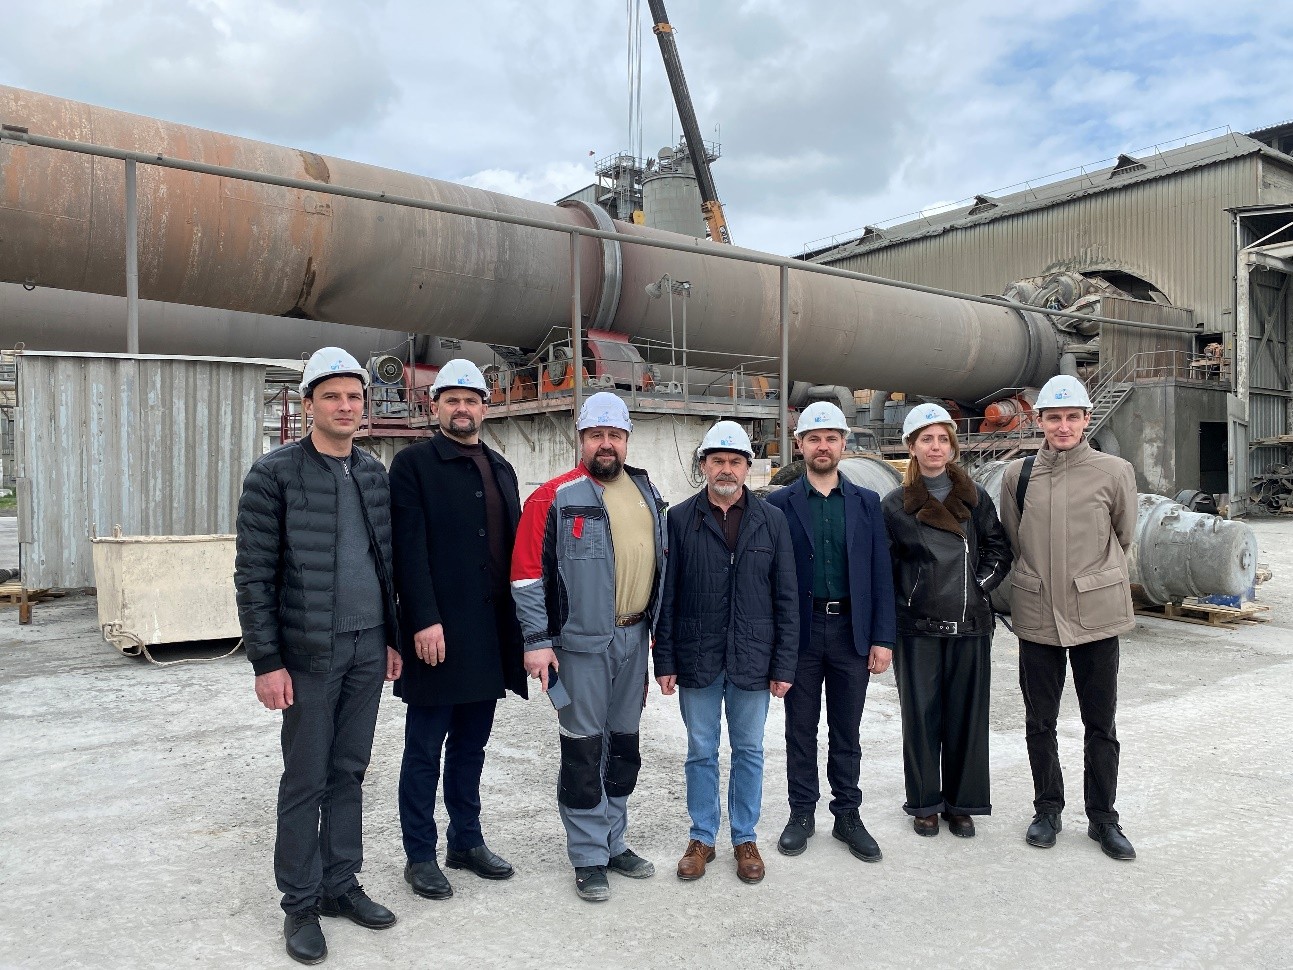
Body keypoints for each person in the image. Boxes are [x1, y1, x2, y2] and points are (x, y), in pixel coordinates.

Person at [235, 347, 402, 966]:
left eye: (354, 396)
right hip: (308, 653)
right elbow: (253, 576)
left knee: (350, 770)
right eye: (332, 396)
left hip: (367, 647)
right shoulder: (273, 475)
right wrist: (266, 662)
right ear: (308, 405)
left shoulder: (372, 473)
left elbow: (386, 566)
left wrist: (391, 637)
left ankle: (340, 883)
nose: (345, 406)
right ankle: (301, 904)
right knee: (306, 777)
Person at [509, 391, 668, 902]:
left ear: (626, 440)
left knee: (623, 746)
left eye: (614, 435)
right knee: (583, 749)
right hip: (579, 645)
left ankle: (614, 842)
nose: (606, 444)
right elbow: (527, 575)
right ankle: (587, 856)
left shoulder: (646, 493)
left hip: (634, 636)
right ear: (580, 439)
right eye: (596, 435)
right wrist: (537, 641)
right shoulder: (552, 497)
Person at [389, 360, 529, 903]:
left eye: (471, 400)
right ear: (436, 406)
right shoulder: (413, 465)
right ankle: (420, 855)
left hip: (488, 634)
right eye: (452, 399)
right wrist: (423, 619)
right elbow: (408, 551)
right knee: (425, 749)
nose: (462, 408)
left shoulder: (500, 467)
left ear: (485, 409)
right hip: (438, 636)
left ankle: (465, 841)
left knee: (472, 746)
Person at [999, 375, 1138, 861]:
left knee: (1101, 723)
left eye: (1072, 417)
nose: (1063, 426)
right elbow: (1016, 539)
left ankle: (1103, 818)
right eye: (1053, 417)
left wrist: (1090, 579)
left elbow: (1123, 534)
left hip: (1095, 615)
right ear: (1039, 420)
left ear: (1085, 420)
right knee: (1041, 721)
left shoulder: (1114, 472)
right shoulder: (1017, 476)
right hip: (1038, 615)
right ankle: (1047, 810)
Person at [654, 421, 799, 884]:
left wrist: (784, 664)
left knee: (749, 750)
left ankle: (744, 837)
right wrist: (666, 660)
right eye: (717, 460)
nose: (726, 469)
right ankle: (701, 837)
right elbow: (667, 596)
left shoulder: (771, 520)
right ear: (703, 465)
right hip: (697, 655)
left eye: (735, 461)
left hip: (753, 656)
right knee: (700, 750)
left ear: (747, 468)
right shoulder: (679, 520)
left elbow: (787, 598)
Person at [766, 401, 897, 863]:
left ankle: (847, 814)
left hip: (850, 632)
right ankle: (801, 813)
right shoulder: (778, 505)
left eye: (831, 439)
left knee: (847, 730)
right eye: (814, 439)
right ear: (799, 445)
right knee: (800, 729)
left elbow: (880, 573)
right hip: (800, 634)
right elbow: (770, 580)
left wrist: (883, 638)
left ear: (843, 444)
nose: (823, 446)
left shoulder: (866, 503)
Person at [881, 404, 1011, 839]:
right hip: (918, 626)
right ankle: (924, 803)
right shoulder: (895, 505)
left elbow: (999, 549)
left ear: (952, 447)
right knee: (920, 718)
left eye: (942, 439)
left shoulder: (976, 497)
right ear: (912, 447)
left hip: (971, 623)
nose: (935, 447)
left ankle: (962, 804)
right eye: (926, 439)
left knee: (966, 717)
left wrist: (979, 587)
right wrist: (902, 607)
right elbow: (884, 569)